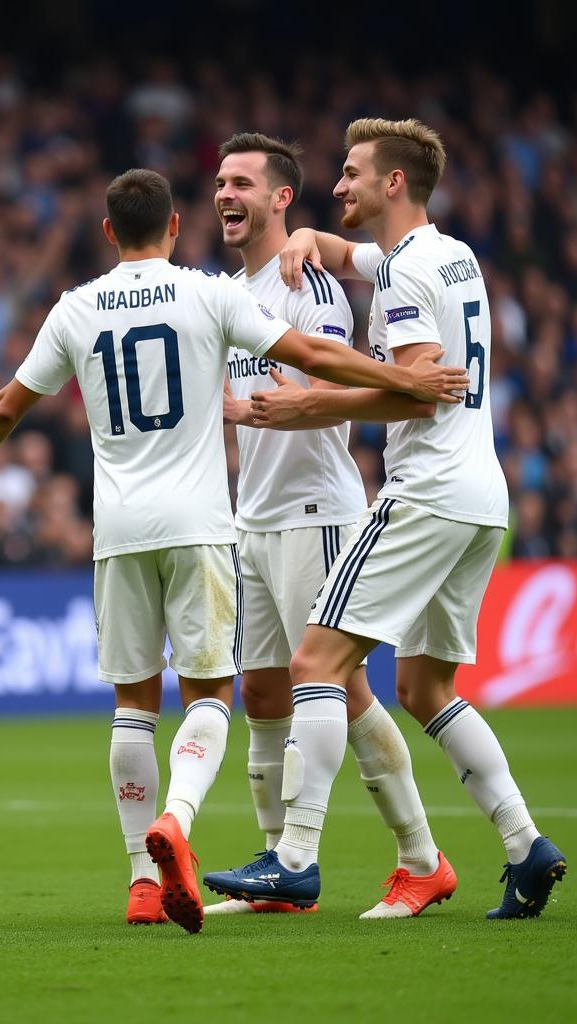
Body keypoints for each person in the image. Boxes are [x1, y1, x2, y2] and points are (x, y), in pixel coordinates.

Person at [0, 167, 469, 934]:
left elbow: (6, 405)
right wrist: (402, 379)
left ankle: (141, 878)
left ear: (108, 233)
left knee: (133, 707)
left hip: (119, 533)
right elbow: (315, 357)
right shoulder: (208, 292)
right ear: (173, 227)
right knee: (211, 698)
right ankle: (181, 819)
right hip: (201, 526)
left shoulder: (75, 308)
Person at [217, 118, 566, 919]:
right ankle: (525, 845)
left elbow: (414, 386)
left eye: (350, 174)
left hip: (427, 491)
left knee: (316, 665)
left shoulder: (406, 278)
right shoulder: (446, 254)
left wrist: (314, 401)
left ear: (392, 183)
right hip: (484, 495)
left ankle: (295, 859)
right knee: (423, 683)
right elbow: (354, 260)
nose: (338, 186)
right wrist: (307, 232)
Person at [200, 133, 455, 920]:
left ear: (281, 198)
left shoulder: (309, 286)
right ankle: (277, 872)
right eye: (217, 181)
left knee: (338, 685)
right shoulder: (220, 291)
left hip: (319, 511)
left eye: (241, 182)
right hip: (256, 519)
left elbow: (328, 382)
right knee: (264, 693)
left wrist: (288, 400)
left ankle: (416, 854)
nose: (223, 194)